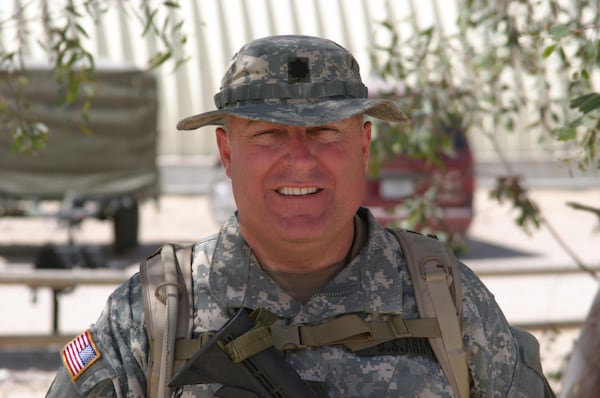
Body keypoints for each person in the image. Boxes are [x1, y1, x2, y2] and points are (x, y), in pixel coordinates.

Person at [46, 34, 551, 397]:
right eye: (268, 134)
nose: (301, 161)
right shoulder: (154, 314)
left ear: (363, 144)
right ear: (226, 153)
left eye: (326, 132)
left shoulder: (445, 300)